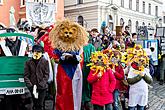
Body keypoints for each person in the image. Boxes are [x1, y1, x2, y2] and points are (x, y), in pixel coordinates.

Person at [24, 45, 49, 110]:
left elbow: (46, 74)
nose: (37, 53)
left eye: (39, 52)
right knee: (35, 104)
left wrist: (41, 84)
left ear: (42, 53)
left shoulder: (45, 62)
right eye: (35, 51)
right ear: (32, 52)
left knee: (40, 104)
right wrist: (30, 85)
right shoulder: (28, 62)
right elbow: (26, 75)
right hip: (33, 87)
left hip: (42, 87)